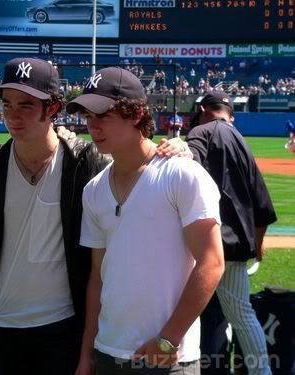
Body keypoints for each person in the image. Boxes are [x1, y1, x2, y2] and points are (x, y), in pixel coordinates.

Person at [66, 67, 225, 374]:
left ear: (136, 114)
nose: (93, 126)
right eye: (88, 116)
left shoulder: (181, 174)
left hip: (168, 358)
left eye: (103, 115)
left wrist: (168, 340)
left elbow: (212, 262)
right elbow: (98, 277)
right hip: (109, 353)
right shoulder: (94, 190)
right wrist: (88, 353)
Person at [0, 57, 111, 375]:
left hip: (64, 326)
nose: (13, 116)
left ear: (54, 108)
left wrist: (174, 149)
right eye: (7, 105)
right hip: (5, 326)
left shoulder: (84, 164)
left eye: (26, 106)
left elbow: (137, 162)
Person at [187, 91, 277, 375]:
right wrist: (258, 244)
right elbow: (263, 205)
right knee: (239, 314)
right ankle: (260, 371)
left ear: (203, 109)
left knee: (184, 309)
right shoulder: (241, 141)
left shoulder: (200, 131)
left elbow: (186, 175)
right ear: (231, 114)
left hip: (203, 242)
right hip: (235, 245)